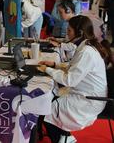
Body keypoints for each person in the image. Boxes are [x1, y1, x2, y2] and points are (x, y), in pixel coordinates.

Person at [38, 15, 107, 143]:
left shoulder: (87, 52)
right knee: (50, 99)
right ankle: (63, 135)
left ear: (79, 33)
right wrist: (55, 65)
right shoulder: (86, 46)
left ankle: (64, 138)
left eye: (69, 30)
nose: (67, 33)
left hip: (89, 100)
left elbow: (69, 80)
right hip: (86, 94)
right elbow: (73, 67)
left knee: (46, 109)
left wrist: (47, 70)